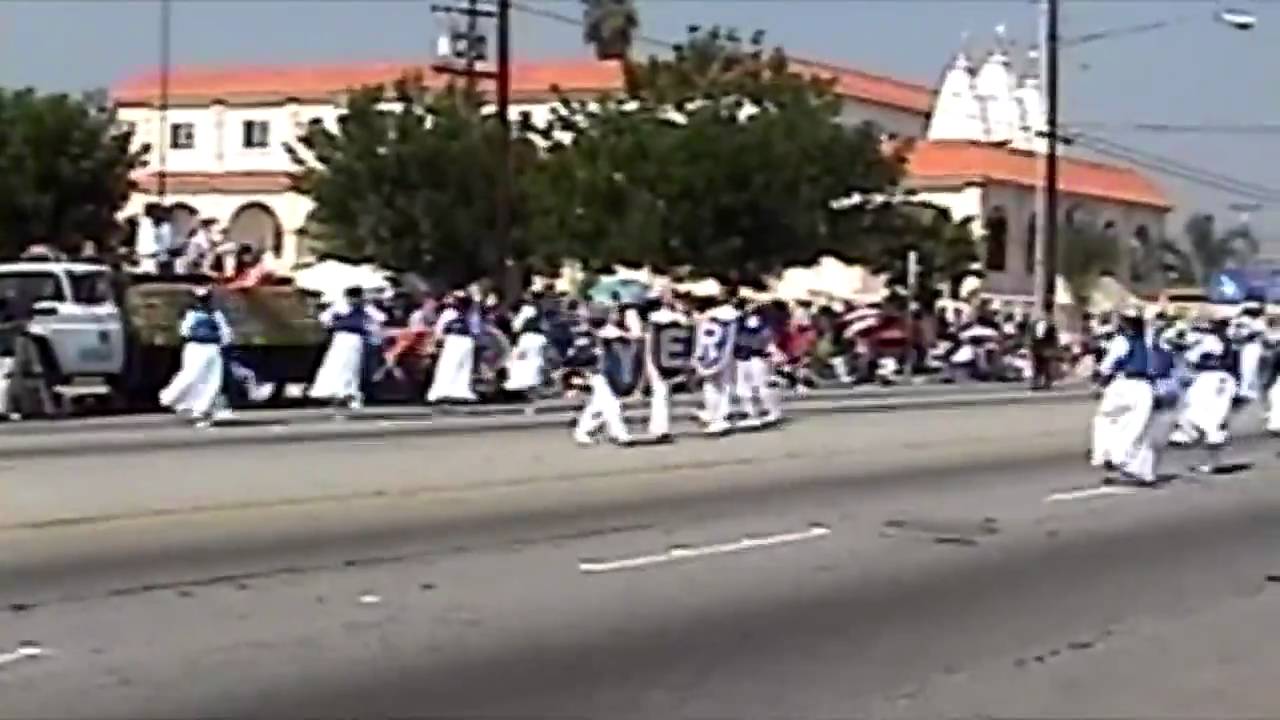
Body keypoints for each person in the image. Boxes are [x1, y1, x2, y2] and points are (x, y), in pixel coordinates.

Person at [1090, 306, 1169, 486]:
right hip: (1146, 387)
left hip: (1125, 385)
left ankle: (1111, 456)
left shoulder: (1122, 340)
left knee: (1107, 419)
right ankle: (1141, 470)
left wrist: (1099, 380)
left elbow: (1108, 365)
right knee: (1139, 428)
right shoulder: (1148, 340)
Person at [1170, 316, 1237, 472]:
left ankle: (1191, 435)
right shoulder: (1225, 340)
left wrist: (1182, 343)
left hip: (1211, 378)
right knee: (1214, 418)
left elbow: (1191, 357)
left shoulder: (1211, 340)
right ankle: (1211, 459)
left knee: (1194, 410)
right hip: (1223, 379)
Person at [159, 286, 233, 427]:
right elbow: (184, 331)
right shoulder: (191, 313)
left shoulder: (215, 314)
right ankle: (170, 399)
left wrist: (220, 342)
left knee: (212, 380)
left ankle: (201, 409)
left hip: (212, 348)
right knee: (191, 375)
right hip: (195, 348)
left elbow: (225, 333)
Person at [308, 286, 383, 414]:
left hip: (356, 339)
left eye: (356, 297)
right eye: (351, 297)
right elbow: (324, 318)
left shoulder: (365, 307)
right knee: (336, 366)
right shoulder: (339, 306)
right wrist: (333, 324)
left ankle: (350, 395)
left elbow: (380, 318)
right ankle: (337, 395)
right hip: (340, 338)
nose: (353, 300)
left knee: (353, 367)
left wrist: (367, 314)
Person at [572, 309, 634, 447]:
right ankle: (620, 434)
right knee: (612, 404)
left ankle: (582, 432)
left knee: (598, 406)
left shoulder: (601, 332)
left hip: (604, 373)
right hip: (599, 374)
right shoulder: (593, 334)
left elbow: (625, 338)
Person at [643, 290, 690, 442]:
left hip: (660, 356)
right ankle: (660, 429)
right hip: (668, 358)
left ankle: (658, 428)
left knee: (660, 394)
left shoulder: (654, 318)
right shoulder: (677, 318)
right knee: (662, 394)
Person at [693, 290, 740, 435]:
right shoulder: (732, 314)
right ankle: (721, 416)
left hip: (712, 355)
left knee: (712, 386)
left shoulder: (709, 317)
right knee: (725, 386)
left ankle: (717, 418)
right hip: (724, 353)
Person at [733, 297, 782, 428]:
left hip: (757, 357)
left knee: (762, 386)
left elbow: (768, 339)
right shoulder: (739, 321)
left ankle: (772, 412)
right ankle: (751, 413)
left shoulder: (764, 323)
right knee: (744, 387)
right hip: (743, 357)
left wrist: (772, 352)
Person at [426, 292, 478, 403]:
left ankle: (460, 392)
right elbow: (439, 330)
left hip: (466, 341)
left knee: (464, 367)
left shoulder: (471, 314)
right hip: (452, 340)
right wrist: (436, 343)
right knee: (448, 366)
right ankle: (443, 391)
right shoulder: (449, 313)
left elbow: (475, 331)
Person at [1229, 301, 1267, 404]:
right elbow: (1231, 333)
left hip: (1252, 347)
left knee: (1249, 368)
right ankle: (1242, 390)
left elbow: (1257, 333)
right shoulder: (1239, 320)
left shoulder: (1258, 322)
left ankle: (1247, 392)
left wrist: (1245, 335)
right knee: (1240, 369)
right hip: (1240, 346)